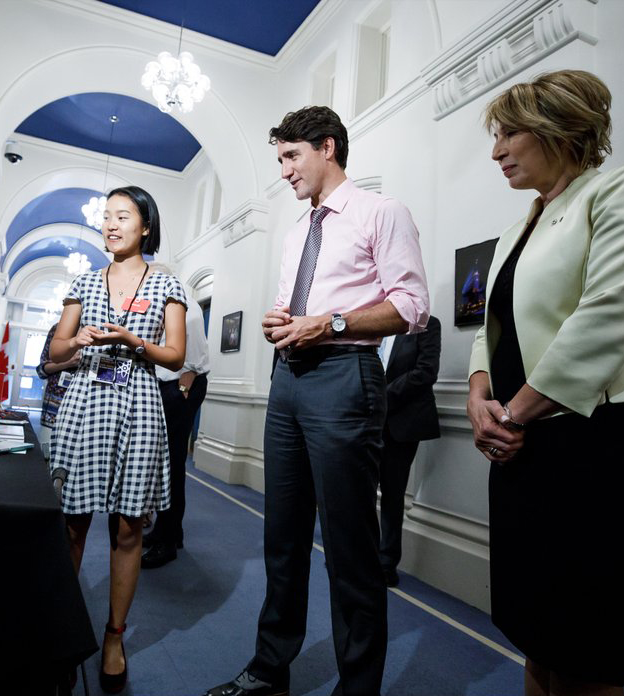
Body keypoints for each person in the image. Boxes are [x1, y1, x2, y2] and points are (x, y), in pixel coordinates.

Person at [467, 70, 624, 696]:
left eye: (509, 132)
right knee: (538, 636)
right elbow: (493, 330)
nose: (496, 149)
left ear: (557, 128)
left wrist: (511, 416)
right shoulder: (517, 229)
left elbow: (608, 317)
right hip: (524, 447)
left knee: (587, 653)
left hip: (602, 445)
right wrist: (478, 396)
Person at [207, 106, 430, 696]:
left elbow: (411, 307)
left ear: (327, 147)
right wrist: (279, 323)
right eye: (279, 158)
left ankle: (357, 688)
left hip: (345, 376)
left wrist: (325, 324)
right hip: (289, 379)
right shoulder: (297, 231)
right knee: (281, 537)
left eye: (290, 156)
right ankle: (269, 667)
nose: (283, 171)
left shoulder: (382, 213)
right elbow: (294, 311)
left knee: (350, 549)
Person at [48, 185, 187, 694]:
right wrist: (78, 338)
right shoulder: (84, 283)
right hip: (85, 403)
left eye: (122, 215)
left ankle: (113, 636)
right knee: (72, 525)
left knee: (129, 528)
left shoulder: (168, 283)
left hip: (140, 406)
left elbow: (175, 355)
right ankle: (61, 637)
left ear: (145, 226)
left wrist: (133, 341)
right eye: (106, 216)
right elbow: (59, 344)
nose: (110, 224)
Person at [142, 273, 210, 569]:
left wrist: (184, 386)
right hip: (166, 386)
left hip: (179, 386)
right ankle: (170, 530)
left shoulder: (180, 297)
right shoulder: (162, 298)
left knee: (170, 464)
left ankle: (167, 541)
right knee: (164, 463)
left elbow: (191, 353)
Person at [378, 314, 440, 587]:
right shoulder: (375, 327)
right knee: (357, 492)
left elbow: (426, 372)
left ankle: (386, 563)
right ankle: (358, 556)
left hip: (401, 424)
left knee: (393, 495)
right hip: (364, 421)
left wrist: (379, 396)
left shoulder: (428, 325)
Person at [35, 323, 80, 460]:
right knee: (45, 458)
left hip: (81, 411)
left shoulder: (99, 332)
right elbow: (41, 369)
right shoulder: (57, 329)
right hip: (53, 411)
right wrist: (68, 363)